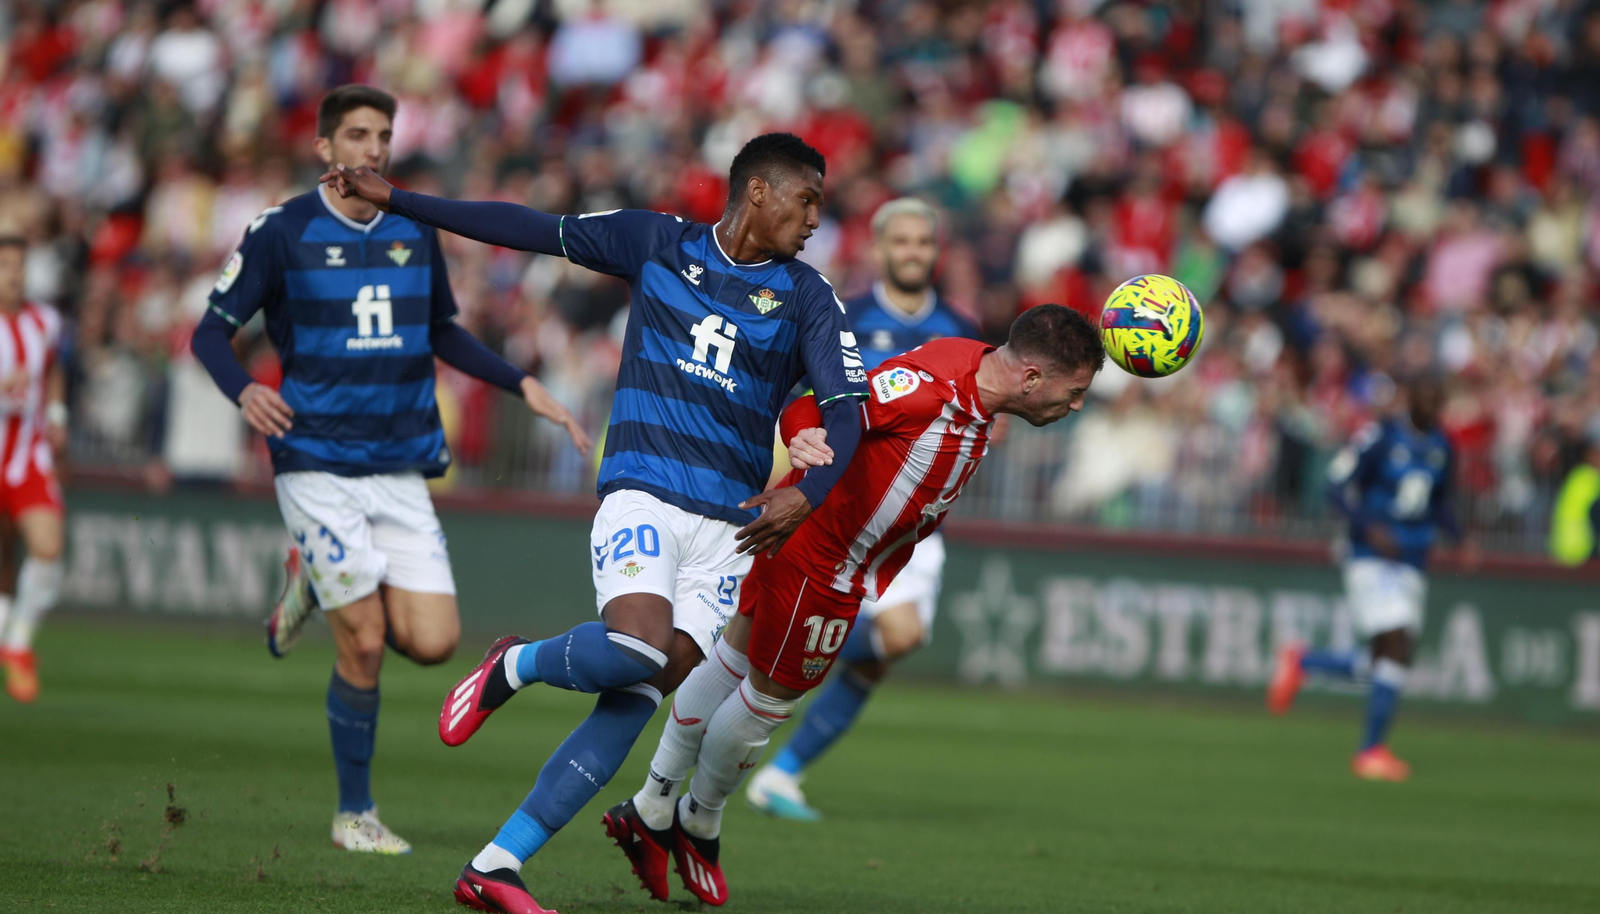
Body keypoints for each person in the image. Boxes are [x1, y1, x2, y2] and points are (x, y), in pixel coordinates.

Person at [324, 132, 869, 914]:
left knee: (644, 687)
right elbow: (526, 227)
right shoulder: (655, 242)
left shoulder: (809, 296)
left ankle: (495, 867)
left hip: (729, 532)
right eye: (806, 199)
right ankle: (514, 665)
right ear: (758, 191)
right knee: (637, 645)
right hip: (644, 490)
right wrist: (400, 198)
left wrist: (806, 491)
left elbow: (846, 418)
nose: (817, 218)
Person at [190, 85, 592, 854]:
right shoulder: (280, 230)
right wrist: (243, 389)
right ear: (325, 149)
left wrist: (522, 384)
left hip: (399, 462)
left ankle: (313, 576)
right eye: (359, 135)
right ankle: (355, 814)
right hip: (315, 459)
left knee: (436, 640)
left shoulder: (413, 225)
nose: (373, 148)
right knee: (366, 642)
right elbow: (211, 332)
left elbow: (441, 329)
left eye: (383, 135)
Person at [608, 305, 1104, 906]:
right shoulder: (930, 392)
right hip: (823, 564)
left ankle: (652, 805)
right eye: (1074, 391)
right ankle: (697, 820)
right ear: (1031, 379)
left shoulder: (965, 363)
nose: (1075, 405)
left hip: (820, 551)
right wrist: (801, 460)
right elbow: (823, 407)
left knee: (730, 663)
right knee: (766, 703)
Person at [748, 196, 978, 821]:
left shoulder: (960, 332)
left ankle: (782, 762)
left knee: (896, 642)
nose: (912, 253)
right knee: (889, 641)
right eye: (900, 242)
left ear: (936, 252)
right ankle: (779, 763)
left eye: (923, 243)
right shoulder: (844, 316)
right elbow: (804, 400)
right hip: (837, 508)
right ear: (879, 249)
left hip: (908, 522)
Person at [1267, 376, 1477, 781]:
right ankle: (1370, 751)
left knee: (1388, 659)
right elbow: (1336, 486)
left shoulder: (1442, 446)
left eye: (1438, 402)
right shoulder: (1380, 437)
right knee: (1395, 643)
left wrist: (1460, 539)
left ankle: (1305, 661)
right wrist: (1368, 528)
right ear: (1409, 399)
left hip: (1414, 559)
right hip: (1371, 558)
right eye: (1425, 398)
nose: (1431, 409)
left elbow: (1442, 501)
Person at [0, 235, 68, 703]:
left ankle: (19, 645)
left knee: (48, 545)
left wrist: (59, 414)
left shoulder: (45, 320)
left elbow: (55, 369)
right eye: (6, 265)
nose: (14, 274)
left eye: (20, 266)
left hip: (29, 456)